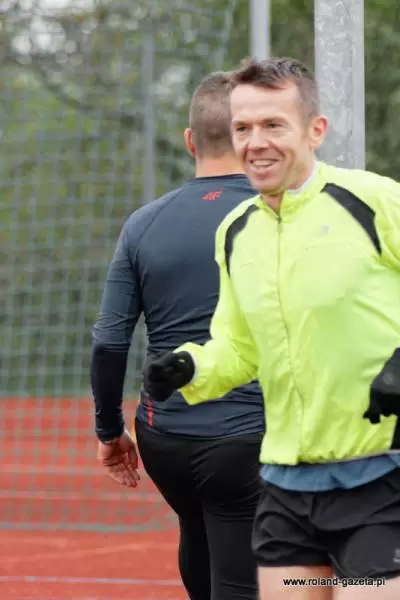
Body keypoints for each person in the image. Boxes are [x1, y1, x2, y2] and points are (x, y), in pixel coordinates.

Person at [143, 57, 400, 600]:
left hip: (383, 477)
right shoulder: (236, 231)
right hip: (286, 485)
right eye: (242, 128)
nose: (255, 142)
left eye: (273, 125)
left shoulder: (375, 201)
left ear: (315, 130)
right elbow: (238, 348)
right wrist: (189, 367)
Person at [91, 71, 265, 600]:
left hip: (164, 437)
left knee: (197, 530)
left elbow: (109, 342)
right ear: (247, 137)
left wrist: (109, 431)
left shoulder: (143, 223)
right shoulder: (275, 215)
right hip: (250, 436)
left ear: (191, 141)